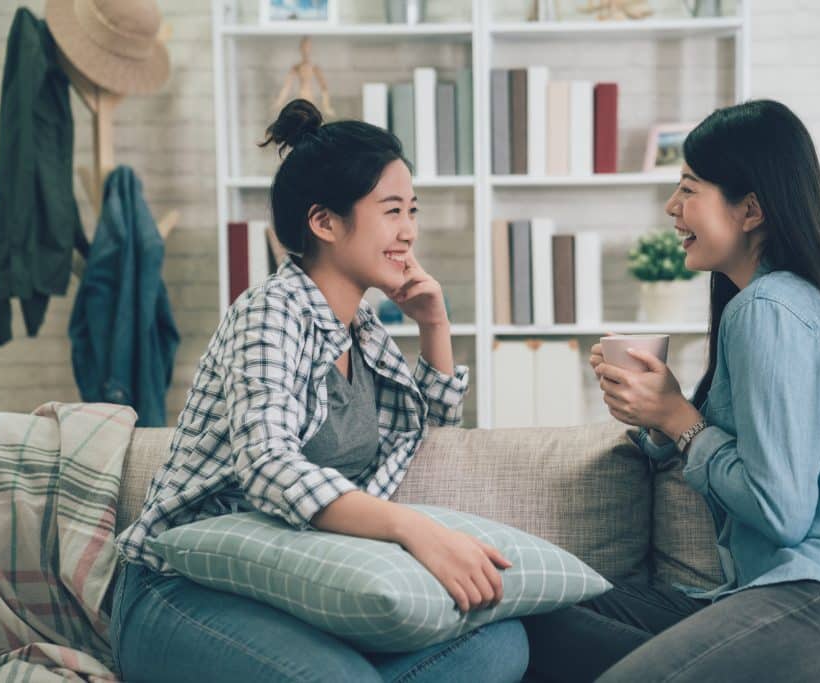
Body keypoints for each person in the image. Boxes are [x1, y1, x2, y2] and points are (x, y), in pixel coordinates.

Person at [523, 99, 820, 682]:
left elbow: (780, 510)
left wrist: (679, 420)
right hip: (796, 596)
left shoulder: (769, 309)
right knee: (538, 619)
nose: (672, 208)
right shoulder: (769, 306)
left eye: (689, 188)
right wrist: (658, 416)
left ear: (750, 210)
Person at [110, 99, 529, 683]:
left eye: (412, 210)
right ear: (325, 222)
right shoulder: (268, 312)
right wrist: (415, 529)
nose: (408, 230)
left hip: (298, 585)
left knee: (501, 645)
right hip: (184, 587)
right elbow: (267, 463)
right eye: (390, 211)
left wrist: (434, 324)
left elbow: (427, 428)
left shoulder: (363, 331)